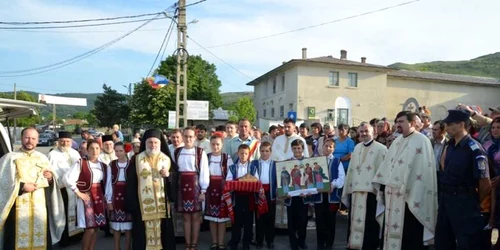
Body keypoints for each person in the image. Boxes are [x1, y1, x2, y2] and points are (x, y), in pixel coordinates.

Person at [373, 111, 438, 250]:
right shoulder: (397, 140)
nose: (398, 125)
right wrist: (383, 187)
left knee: (409, 235)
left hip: (409, 197)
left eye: (401, 121)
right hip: (392, 197)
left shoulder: (421, 141)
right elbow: (387, 166)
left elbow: (422, 172)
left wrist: (407, 188)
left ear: (412, 123)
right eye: (396, 122)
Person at [0, 127, 65, 250]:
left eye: (33, 138)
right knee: (13, 239)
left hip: (40, 208)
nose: (30, 141)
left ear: (37, 140)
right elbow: (2, 184)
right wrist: (21, 186)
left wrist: (50, 178)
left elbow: (52, 183)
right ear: (21, 138)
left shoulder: (43, 158)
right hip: (16, 208)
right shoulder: (9, 158)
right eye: (27, 138)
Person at [435, 110, 492, 249]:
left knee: (467, 243)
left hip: (465, 202)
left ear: (461, 124)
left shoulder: (474, 148)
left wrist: (471, 200)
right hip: (446, 200)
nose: (446, 127)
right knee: (443, 241)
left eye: (449, 124)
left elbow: (485, 184)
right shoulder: (450, 146)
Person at [124, 129, 178, 250]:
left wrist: (168, 175)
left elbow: (175, 177)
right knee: (142, 235)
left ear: (160, 144)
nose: (153, 145)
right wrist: (132, 203)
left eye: (155, 142)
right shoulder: (137, 160)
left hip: (162, 203)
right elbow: (131, 183)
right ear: (145, 143)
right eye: (150, 142)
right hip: (142, 205)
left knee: (163, 233)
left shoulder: (166, 159)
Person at [342, 122, 387, 250]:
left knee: (370, 224)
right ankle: (353, 245)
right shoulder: (356, 148)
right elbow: (351, 170)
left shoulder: (381, 149)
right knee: (353, 222)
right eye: (361, 131)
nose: (363, 134)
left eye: (366, 131)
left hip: (371, 193)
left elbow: (383, 171)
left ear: (373, 132)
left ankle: (369, 246)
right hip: (356, 192)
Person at [63, 139, 113, 250]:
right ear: (87, 149)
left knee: (95, 229)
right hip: (87, 198)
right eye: (91, 148)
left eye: (97, 148)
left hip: (99, 197)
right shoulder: (81, 162)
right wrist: (78, 192)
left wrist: (108, 201)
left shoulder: (104, 166)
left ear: (100, 150)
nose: (94, 151)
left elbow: (108, 184)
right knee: (89, 228)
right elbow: (67, 178)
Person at [173, 127, 209, 250]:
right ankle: (187, 243)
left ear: (194, 138)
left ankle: (194, 243)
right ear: (182, 137)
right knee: (185, 217)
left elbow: (204, 171)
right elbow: (174, 171)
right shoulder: (177, 152)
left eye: (190, 136)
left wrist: (203, 190)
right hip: (181, 188)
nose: (188, 139)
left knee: (196, 217)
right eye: (186, 136)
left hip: (196, 187)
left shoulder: (200, 152)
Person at [48, 131, 84, 246]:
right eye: (62, 141)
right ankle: (64, 239)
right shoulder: (52, 154)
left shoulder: (75, 153)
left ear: (71, 141)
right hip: (61, 189)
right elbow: (50, 171)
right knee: (63, 214)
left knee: (77, 212)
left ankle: (76, 236)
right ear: (58, 141)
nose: (65, 143)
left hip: (75, 188)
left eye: (67, 141)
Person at [312, 139, 345, 250]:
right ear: (322, 147)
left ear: (333, 149)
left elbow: (341, 178)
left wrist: (333, 185)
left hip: (331, 196)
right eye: (326, 146)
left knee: (330, 220)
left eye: (330, 146)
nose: (327, 148)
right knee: (320, 220)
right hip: (319, 196)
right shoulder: (316, 161)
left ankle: (329, 243)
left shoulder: (337, 161)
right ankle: (320, 243)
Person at [226, 144, 260, 250]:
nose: (243, 156)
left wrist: (245, 181)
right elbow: (228, 182)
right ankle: (235, 242)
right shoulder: (232, 168)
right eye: (241, 153)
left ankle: (246, 243)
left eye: (246, 153)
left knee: (248, 222)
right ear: (238, 153)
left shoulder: (253, 167)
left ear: (249, 154)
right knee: (236, 222)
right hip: (237, 198)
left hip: (249, 199)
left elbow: (257, 182)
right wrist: (243, 180)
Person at [205, 134, 233, 250]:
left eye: (217, 144)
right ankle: (214, 242)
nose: (215, 146)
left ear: (222, 145)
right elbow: (203, 173)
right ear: (210, 145)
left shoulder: (227, 157)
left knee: (221, 219)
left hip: (223, 190)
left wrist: (227, 189)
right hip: (210, 190)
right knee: (212, 218)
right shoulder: (206, 157)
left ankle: (221, 242)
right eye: (213, 144)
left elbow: (230, 174)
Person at [285, 139, 311, 250]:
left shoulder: (307, 162)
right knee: (292, 222)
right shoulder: (287, 163)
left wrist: (308, 191)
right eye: (294, 148)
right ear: (291, 149)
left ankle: (301, 241)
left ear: (302, 149)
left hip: (303, 197)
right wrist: (285, 192)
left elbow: (310, 179)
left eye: (299, 148)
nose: (297, 150)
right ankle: (293, 243)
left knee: (303, 221)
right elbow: (284, 179)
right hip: (291, 197)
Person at [109, 142, 133, 250]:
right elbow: (108, 183)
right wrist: (108, 200)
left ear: (125, 151)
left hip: (127, 197)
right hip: (115, 197)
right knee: (116, 228)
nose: (118, 153)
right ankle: (116, 248)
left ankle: (127, 248)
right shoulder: (112, 164)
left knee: (128, 228)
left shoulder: (131, 164)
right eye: (116, 151)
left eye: (120, 151)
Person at [255, 141, 277, 249]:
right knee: (259, 218)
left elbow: (278, 180)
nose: (264, 153)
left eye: (267, 151)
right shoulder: (254, 163)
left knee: (270, 218)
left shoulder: (275, 164)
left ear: (271, 152)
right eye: (262, 151)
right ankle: (259, 241)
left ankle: (270, 240)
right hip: (259, 194)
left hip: (271, 194)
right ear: (259, 151)